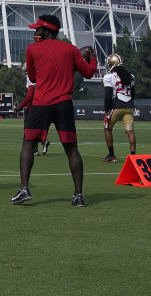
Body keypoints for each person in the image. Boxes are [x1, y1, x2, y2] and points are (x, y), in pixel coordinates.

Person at [10, 14, 97, 207]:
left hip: (41, 103)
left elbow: (33, 77)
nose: (35, 32)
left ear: (46, 30)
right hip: (64, 103)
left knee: (28, 143)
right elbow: (89, 73)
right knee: (72, 149)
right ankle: (78, 195)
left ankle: (24, 189)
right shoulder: (71, 49)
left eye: (38, 29)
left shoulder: (32, 49)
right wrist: (92, 58)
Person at [102, 53, 136, 163]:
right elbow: (133, 92)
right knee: (130, 131)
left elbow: (108, 95)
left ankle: (111, 155)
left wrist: (107, 109)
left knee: (107, 128)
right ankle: (133, 156)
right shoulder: (130, 76)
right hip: (129, 106)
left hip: (116, 106)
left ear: (112, 64)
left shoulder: (109, 77)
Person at [17, 79, 50, 156]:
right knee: (35, 129)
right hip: (39, 106)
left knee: (28, 130)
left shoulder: (31, 78)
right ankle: (39, 146)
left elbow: (30, 96)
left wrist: (21, 106)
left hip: (32, 107)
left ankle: (33, 149)